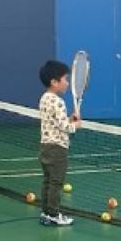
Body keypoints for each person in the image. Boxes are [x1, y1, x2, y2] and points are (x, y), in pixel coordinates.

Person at [38, 60, 81, 226]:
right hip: (57, 149)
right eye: (65, 79)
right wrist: (75, 125)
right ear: (54, 82)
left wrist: (69, 118)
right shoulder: (58, 101)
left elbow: (55, 122)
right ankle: (54, 214)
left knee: (47, 181)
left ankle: (46, 212)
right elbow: (65, 127)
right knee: (56, 182)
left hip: (45, 147)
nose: (68, 83)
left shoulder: (44, 98)